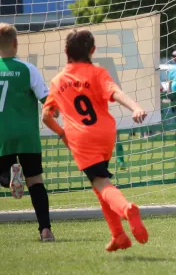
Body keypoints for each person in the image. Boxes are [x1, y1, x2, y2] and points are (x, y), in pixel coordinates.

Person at [41, 29, 148, 252]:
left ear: (65, 52)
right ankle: (118, 235)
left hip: (81, 138)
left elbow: (46, 116)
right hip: (106, 134)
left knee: (101, 183)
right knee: (99, 184)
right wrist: (135, 107)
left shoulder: (57, 81)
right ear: (92, 50)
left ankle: (127, 209)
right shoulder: (98, 73)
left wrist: (62, 134)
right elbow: (115, 92)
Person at [0, 23, 54, 242]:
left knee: (2, 176)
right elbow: (48, 101)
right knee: (35, 181)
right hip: (27, 136)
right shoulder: (28, 69)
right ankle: (45, 230)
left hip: (1, 135)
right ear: (16, 43)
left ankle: (9, 176)